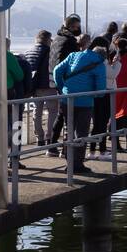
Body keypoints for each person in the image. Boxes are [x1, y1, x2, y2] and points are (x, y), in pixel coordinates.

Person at [53, 36, 110, 174]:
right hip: (84, 102)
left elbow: (56, 71)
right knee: (81, 133)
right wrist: (96, 95)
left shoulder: (73, 55)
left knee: (69, 130)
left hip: (67, 99)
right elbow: (101, 88)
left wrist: (62, 88)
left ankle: (69, 163)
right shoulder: (99, 63)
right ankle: (77, 165)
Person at [47, 14, 82, 155]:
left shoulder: (56, 39)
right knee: (67, 115)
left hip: (55, 80)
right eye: (78, 27)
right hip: (68, 81)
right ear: (73, 26)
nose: (79, 29)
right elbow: (74, 63)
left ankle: (53, 145)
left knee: (62, 114)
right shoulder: (69, 41)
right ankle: (66, 149)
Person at [23, 30, 55, 148]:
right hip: (48, 86)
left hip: (33, 87)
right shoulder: (50, 52)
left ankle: (39, 138)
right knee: (53, 111)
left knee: (37, 111)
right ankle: (49, 137)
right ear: (47, 40)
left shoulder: (28, 52)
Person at [87, 35, 116, 156]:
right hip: (104, 94)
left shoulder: (89, 62)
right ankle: (102, 150)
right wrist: (117, 63)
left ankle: (92, 150)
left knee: (96, 124)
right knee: (102, 124)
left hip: (93, 96)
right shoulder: (102, 64)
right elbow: (113, 74)